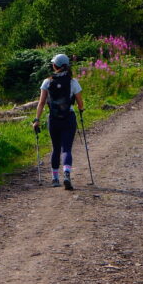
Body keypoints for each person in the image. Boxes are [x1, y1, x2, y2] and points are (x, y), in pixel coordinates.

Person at [32, 53, 84, 189]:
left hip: (53, 119)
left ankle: (55, 178)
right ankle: (66, 174)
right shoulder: (73, 82)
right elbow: (80, 103)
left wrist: (37, 119)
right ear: (67, 66)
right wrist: (81, 110)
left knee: (55, 148)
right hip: (69, 118)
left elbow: (42, 103)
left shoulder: (47, 82)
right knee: (66, 148)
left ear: (55, 66)